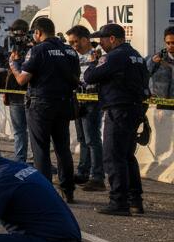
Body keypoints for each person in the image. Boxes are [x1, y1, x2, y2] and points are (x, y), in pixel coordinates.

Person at [6, 16, 80, 203]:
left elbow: (22, 79)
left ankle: (44, 192)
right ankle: (68, 189)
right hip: (63, 103)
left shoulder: (37, 50)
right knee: (63, 148)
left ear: (38, 33)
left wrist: (14, 65)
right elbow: (76, 78)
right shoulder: (70, 51)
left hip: (41, 105)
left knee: (41, 149)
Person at [83, 23, 150, 216]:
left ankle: (118, 202)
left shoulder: (114, 56)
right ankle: (135, 200)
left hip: (118, 110)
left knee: (112, 156)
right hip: (134, 109)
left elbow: (89, 77)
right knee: (127, 157)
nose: (100, 44)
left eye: (102, 40)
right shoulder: (135, 55)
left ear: (112, 38)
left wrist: (95, 61)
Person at [65, 26, 104, 192]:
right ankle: (83, 172)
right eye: (70, 42)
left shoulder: (98, 55)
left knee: (92, 139)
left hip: (93, 101)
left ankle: (97, 177)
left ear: (85, 39)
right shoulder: (72, 55)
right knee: (82, 139)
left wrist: (96, 62)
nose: (74, 45)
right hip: (77, 101)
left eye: (75, 41)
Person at [3, 19, 31, 164]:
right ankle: (20, 160)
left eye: (22, 32)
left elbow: (28, 69)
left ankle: (38, 159)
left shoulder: (33, 47)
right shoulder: (9, 44)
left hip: (29, 93)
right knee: (19, 131)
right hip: (14, 93)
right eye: (16, 32)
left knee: (34, 131)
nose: (19, 36)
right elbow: (4, 60)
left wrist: (17, 61)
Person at [149, 25, 174, 99]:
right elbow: (144, 75)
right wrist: (152, 62)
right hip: (161, 106)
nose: (171, 46)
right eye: (168, 43)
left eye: (173, 43)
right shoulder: (156, 59)